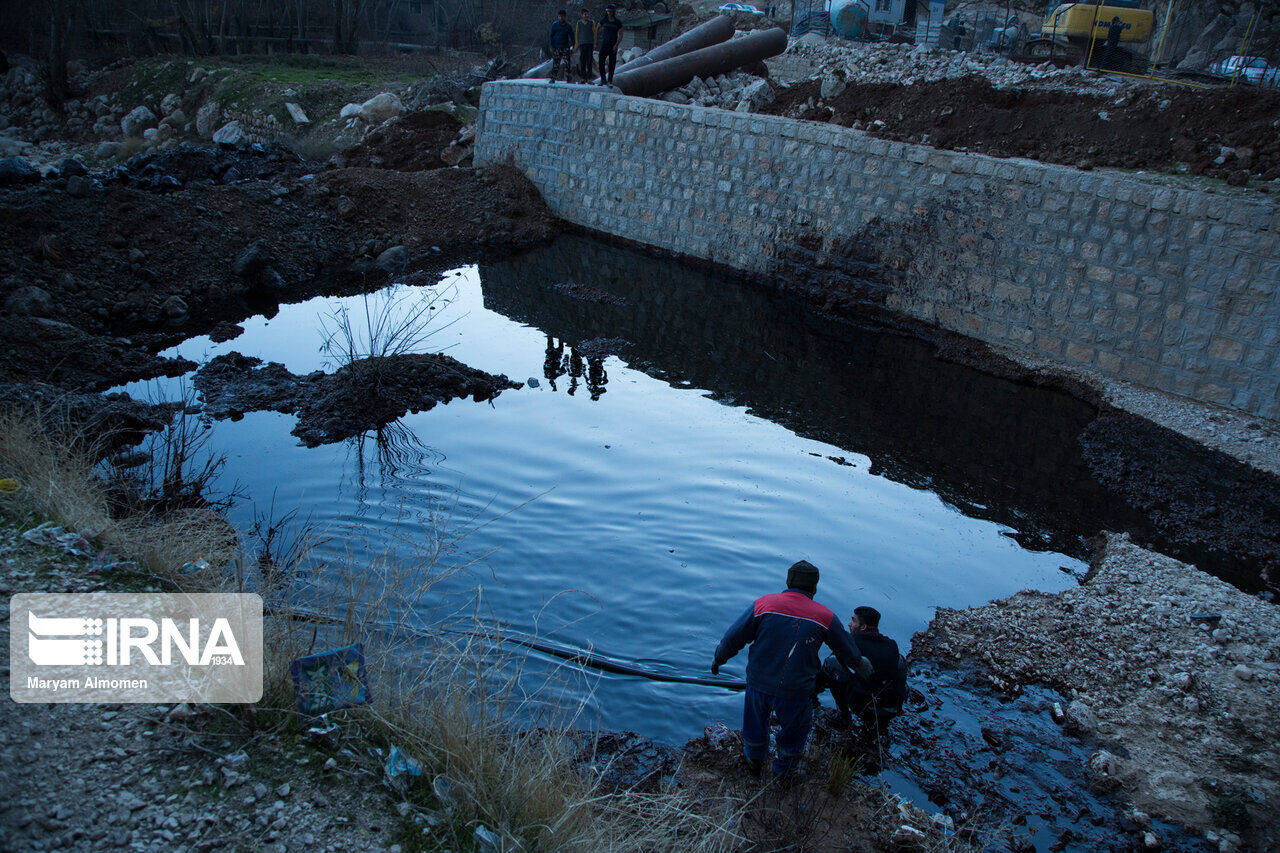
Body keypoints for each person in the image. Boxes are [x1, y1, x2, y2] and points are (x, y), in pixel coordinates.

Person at [712, 560, 872, 778]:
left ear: (788, 582)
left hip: (759, 683)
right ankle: (784, 773)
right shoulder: (825, 616)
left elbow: (733, 637)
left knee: (754, 724)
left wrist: (719, 659)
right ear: (814, 588)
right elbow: (848, 651)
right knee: (794, 733)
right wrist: (861, 665)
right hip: (797, 690)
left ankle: (754, 762)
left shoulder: (763, 605)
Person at [814, 605, 908, 729]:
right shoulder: (891, 644)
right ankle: (890, 713)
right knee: (900, 660)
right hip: (891, 709)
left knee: (831, 663)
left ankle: (843, 717)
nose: (848, 624)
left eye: (853, 620)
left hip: (864, 708)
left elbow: (834, 666)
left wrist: (814, 687)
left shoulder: (851, 643)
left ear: (863, 627)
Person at [597, 5, 623, 85]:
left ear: (613, 12)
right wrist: (596, 40)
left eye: (610, 11)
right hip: (604, 44)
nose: (609, 13)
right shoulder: (604, 20)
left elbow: (621, 34)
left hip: (613, 45)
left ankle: (610, 80)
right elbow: (596, 28)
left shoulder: (617, 22)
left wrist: (616, 44)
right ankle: (603, 79)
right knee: (601, 61)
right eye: (608, 11)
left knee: (612, 64)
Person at [548, 9, 576, 83]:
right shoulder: (555, 25)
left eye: (563, 16)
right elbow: (551, 36)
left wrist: (573, 46)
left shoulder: (568, 26)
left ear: (565, 17)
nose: (561, 18)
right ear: (558, 17)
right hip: (557, 47)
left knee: (567, 64)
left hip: (566, 47)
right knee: (556, 64)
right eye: (560, 16)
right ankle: (553, 78)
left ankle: (568, 77)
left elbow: (572, 36)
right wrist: (551, 46)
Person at [574, 9, 596, 83]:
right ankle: (583, 78)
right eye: (585, 14)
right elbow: (577, 34)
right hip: (582, 44)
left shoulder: (591, 23)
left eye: (587, 14)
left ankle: (589, 78)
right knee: (582, 61)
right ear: (582, 15)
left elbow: (594, 33)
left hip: (590, 44)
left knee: (589, 61)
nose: (586, 15)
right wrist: (576, 45)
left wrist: (595, 43)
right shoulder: (579, 23)